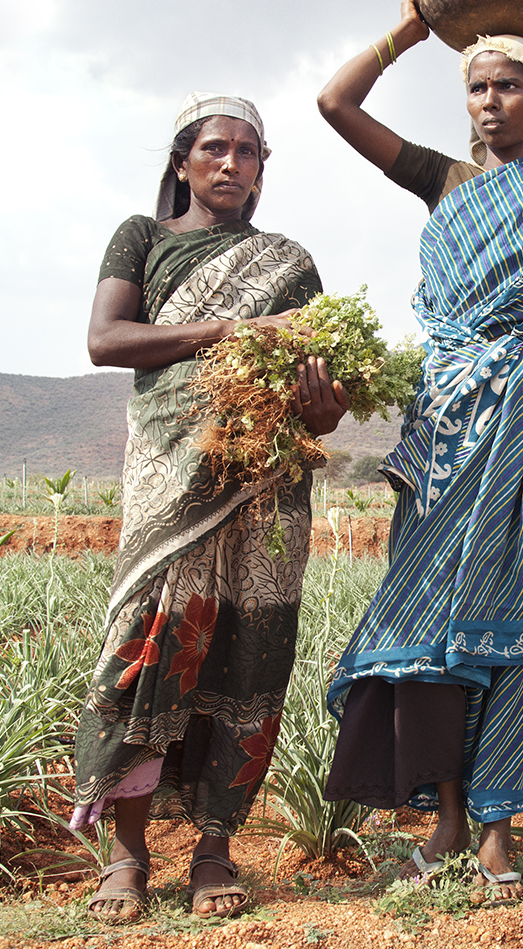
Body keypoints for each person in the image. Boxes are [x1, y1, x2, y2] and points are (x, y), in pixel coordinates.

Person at [317, 2, 523, 901]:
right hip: (445, 426)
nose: (490, 102)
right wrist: (410, 30)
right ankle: (447, 816)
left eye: (509, 86)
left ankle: (495, 829)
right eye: (477, 88)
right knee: (429, 618)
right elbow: (335, 105)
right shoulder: (445, 184)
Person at [71, 92, 350, 923]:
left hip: (265, 490)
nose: (231, 163)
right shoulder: (144, 239)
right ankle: (126, 853)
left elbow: (325, 406)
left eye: (249, 152)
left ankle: (215, 848)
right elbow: (106, 341)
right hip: (167, 477)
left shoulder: (291, 264)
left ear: (264, 168)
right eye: (215, 148)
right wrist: (234, 333)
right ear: (182, 161)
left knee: (247, 655)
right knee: (150, 645)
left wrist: (322, 403)